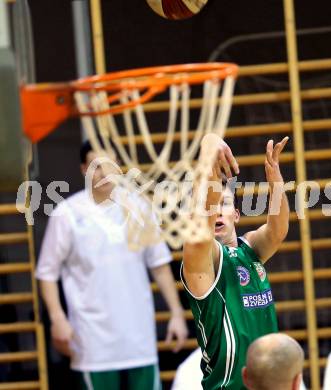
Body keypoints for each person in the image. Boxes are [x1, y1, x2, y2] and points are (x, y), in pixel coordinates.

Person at [36, 141, 188, 390]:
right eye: (96, 166)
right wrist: (57, 318)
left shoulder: (140, 207)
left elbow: (159, 265)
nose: (104, 173)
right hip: (92, 343)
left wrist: (176, 313)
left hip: (139, 340)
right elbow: (47, 273)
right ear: (84, 169)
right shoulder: (67, 213)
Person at [181, 134, 289, 389]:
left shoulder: (250, 249)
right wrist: (209, 159)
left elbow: (278, 230)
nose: (217, 210)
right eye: (213, 204)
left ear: (236, 215)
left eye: (225, 203)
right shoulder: (204, 261)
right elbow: (199, 234)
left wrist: (275, 182)